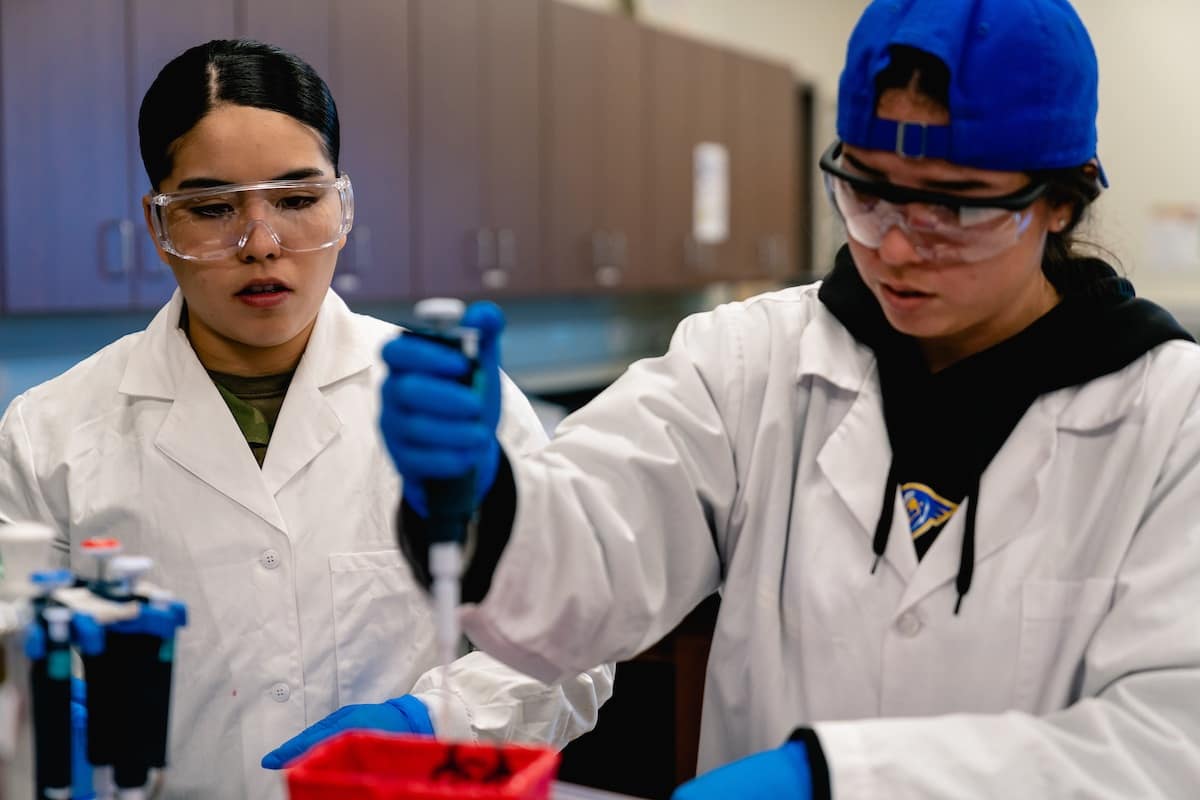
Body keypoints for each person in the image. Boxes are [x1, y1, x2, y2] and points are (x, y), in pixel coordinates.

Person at [377, 1, 1200, 797]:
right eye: (868, 191)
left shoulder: (1171, 418)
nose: (898, 247)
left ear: (1062, 201)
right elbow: (589, 572)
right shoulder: (751, 359)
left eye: (953, 205)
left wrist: (839, 782)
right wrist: (483, 497)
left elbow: (1169, 746)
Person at [0, 39, 612, 799]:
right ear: (158, 228)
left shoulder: (453, 406)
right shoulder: (49, 433)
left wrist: (436, 720)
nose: (262, 244)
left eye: (296, 200)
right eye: (212, 207)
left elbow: (576, 641)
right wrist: (27, 706)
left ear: (343, 207)